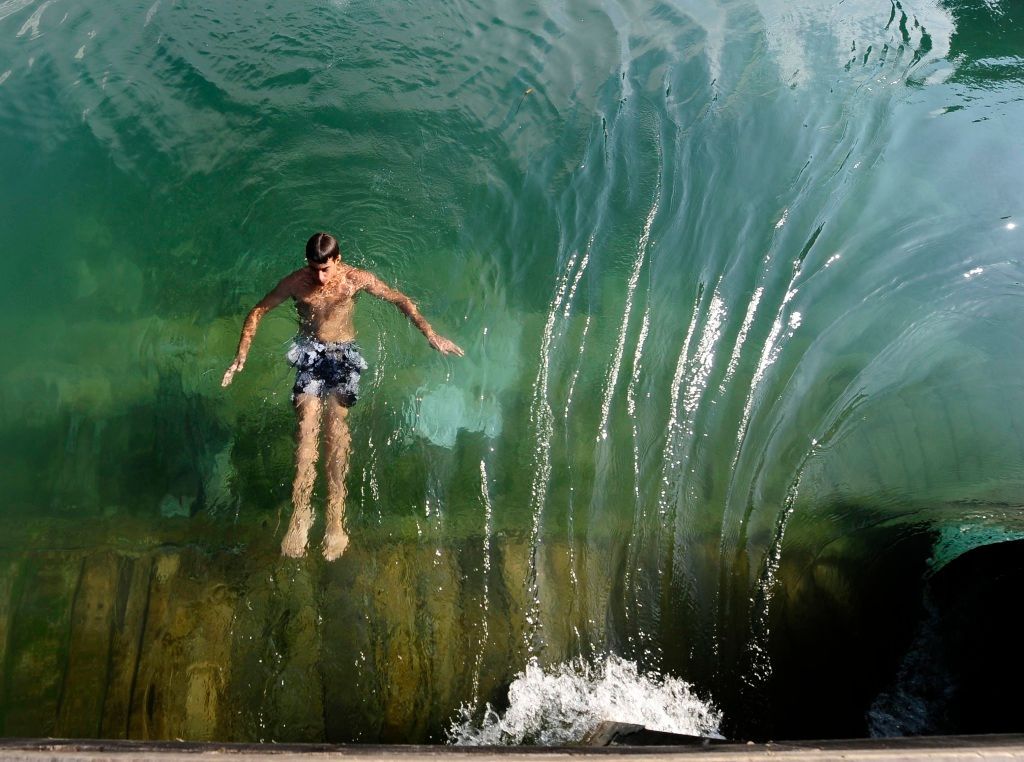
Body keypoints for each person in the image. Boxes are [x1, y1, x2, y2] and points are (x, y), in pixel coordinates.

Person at [222, 232, 464, 560]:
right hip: (310, 352)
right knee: (307, 429)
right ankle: (300, 513)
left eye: (324, 269)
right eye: (313, 269)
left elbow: (399, 299)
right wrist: (241, 355)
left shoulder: (354, 280)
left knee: (335, 430)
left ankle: (336, 518)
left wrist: (430, 334)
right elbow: (259, 310)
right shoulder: (296, 282)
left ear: (337, 259)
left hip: (344, 355)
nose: (319, 277)